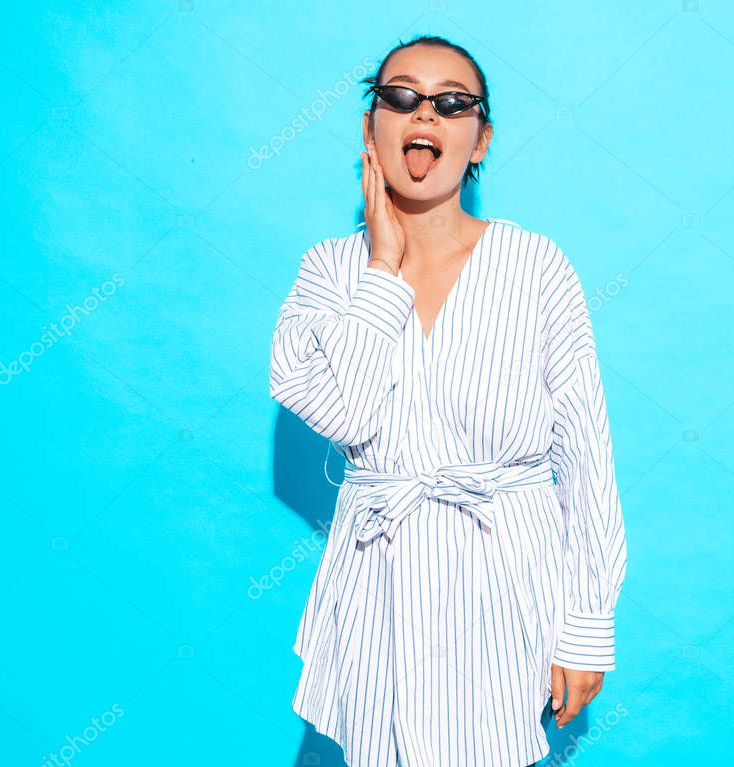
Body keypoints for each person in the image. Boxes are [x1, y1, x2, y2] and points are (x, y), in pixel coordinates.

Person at [269, 34, 627, 767]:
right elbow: (345, 416)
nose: (422, 113)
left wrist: (585, 624)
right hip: (379, 583)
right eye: (398, 96)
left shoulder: (536, 266)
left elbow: (585, 454)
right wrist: (383, 270)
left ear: (479, 138)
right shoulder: (327, 273)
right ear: (371, 127)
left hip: (504, 582)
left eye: (451, 102)